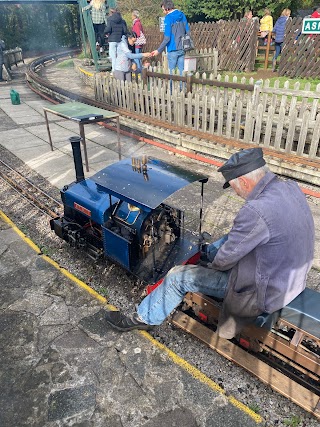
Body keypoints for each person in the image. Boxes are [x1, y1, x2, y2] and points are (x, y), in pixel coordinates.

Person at [105, 147, 315, 339]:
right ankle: (205, 253)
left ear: (243, 181)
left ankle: (142, 319)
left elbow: (224, 261)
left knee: (178, 276)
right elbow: (240, 238)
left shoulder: (256, 211)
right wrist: (212, 251)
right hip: (290, 278)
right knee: (230, 237)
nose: (235, 193)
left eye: (233, 187)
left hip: (264, 291)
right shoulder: (289, 188)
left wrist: (204, 265)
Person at [151, 0, 190, 76]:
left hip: (172, 49)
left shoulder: (168, 18)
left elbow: (167, 38)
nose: (163, 12)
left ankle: (171, 88)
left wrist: (158, 50)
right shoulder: (182, 15)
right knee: (181, 72)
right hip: (182, 48)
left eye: (163, 10)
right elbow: (188, 31)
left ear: (167, 8)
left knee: (171, 73)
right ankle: (183, 87)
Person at [105, 8, 128, 73]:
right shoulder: (122, 20)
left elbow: (108, 29)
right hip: (119, 39)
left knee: (113, 56)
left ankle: (114, 70)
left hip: (112, 39)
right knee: (119, 56)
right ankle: (119, 70)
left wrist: (105, 32)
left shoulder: (110, 19)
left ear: (111, 13)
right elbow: (125, 30)